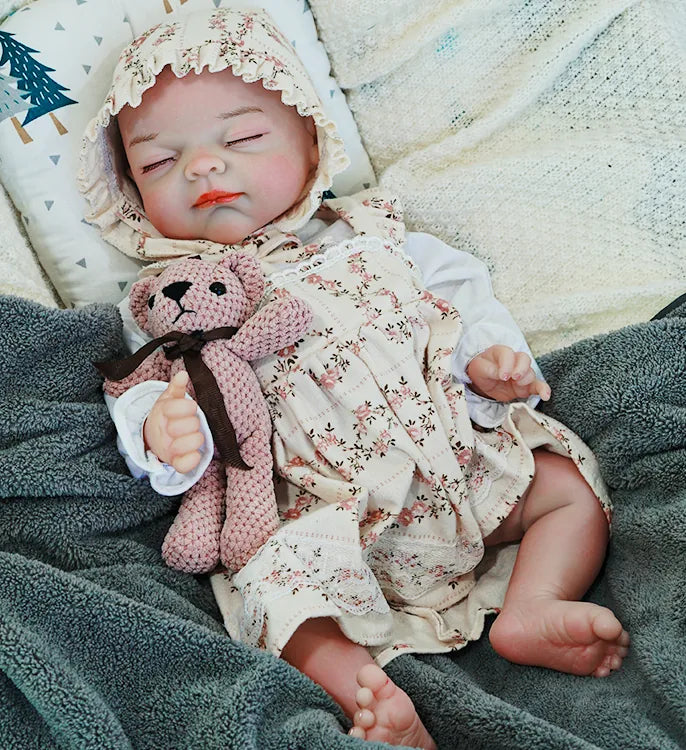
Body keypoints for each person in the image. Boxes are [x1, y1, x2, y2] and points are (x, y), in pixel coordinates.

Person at [78, 9, 629, 748]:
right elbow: (139, 388)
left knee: (563, 483)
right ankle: (374, 696)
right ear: (126, 190)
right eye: (157, 162)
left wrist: (494, 363)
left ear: (311, 142)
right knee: (273, 595)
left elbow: (466, 297)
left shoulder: (375, 232)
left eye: (241, 138)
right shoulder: (166, 298)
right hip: (329, 521)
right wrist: (162, 430)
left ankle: (535, 604)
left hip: (461, 466)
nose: (202, 167)